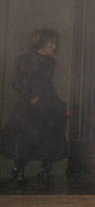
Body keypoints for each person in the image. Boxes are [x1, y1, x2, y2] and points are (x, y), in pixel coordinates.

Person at [0, 29, 67, 183]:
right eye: (51, 44)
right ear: (41, 43)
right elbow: (17, 82)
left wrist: (57, 102)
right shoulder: (23, 59)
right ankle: (19, 171)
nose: (54, 47)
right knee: (24, 135)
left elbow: (48, 84)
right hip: (28, 103)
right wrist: (30, 96)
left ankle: (45, 170)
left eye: (55, 44)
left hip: (47, 101)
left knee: (50, 134)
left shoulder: (51, 62)